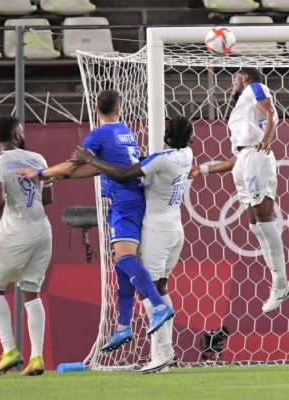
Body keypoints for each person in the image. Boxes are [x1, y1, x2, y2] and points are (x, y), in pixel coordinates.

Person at [16, 90, 173, 353]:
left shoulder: (98, 135)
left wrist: (40, 173)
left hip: (123, 203)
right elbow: (92, 168)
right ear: (118, 109)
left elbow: (72, 165)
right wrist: (59, 176)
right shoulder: (125, 131)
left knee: (125, 260)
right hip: (132, 199)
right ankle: (123, 325)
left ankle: (159, 306)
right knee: (120, 265)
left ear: (95, 109)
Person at [70, 116, 194, 373]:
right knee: (161, 286)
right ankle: (168, 353)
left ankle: (161, 355)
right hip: (176, 230)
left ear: (167, 135)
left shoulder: (161, 159)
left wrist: (91, 159)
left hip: (157, 231)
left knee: (147, 291)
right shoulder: (186, 155)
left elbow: (124, 173)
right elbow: (141, 163)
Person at [189, 67, 289, 314]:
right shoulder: (243, 109)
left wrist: (267, 139)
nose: (232, 84)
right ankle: (278, 283)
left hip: (256, 156)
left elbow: (271, 112)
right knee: (255, 223)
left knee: (264, 218)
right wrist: (202, 170)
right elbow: (238, 157)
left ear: (245, 78)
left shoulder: (255, 88)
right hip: (245, 159)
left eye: (235, 79)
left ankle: (281, 283)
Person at [0, 116, 53, 377]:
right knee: (31, 293)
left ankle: (10, 350)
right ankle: (37, 357)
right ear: (16, 134)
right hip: (42, 231)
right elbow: (48, 198)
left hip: (14, 232)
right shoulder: (38, 159)